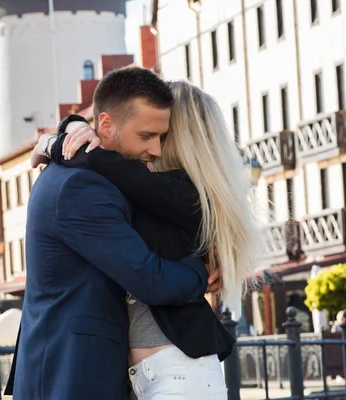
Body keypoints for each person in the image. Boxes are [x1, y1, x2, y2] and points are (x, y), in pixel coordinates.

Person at [31, 76, 262, 399]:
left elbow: (101, 160)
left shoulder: (182, 193)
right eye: (148, 133)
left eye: (160, 135)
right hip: (151, 374)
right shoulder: (157, 188)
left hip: (178, 372)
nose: (153, 146)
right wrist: (68, 129)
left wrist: (57, 141)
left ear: (179, 137)